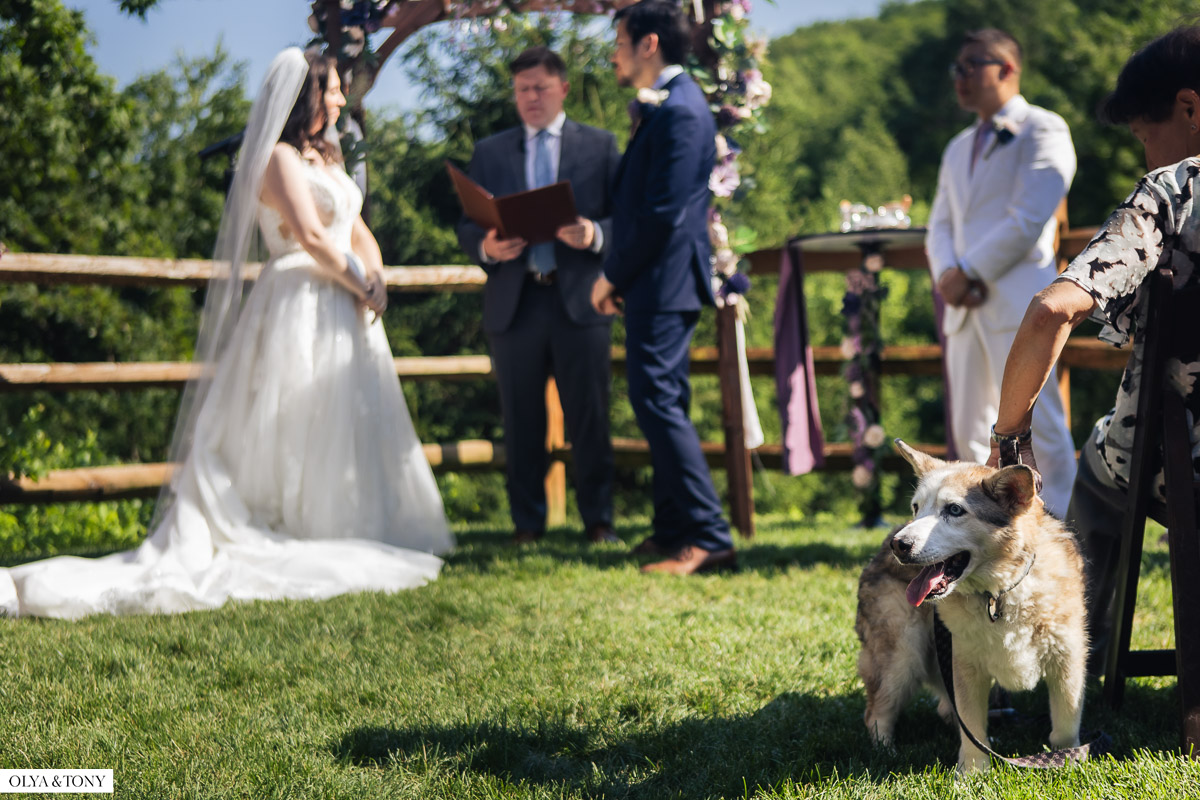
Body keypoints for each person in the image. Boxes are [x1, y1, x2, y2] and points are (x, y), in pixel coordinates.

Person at [0, 48, 453, 618]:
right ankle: (294, 524)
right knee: (292, 419)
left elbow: (356, 228)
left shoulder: (329, 158)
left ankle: (350, 521)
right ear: (307, 96)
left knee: (342, 414)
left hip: (345, 300)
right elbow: (312, 237)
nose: (340, 99)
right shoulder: (278, 159)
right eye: (332, 90)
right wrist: (361, 283)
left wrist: (375, 276)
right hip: (300, 297)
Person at [986, 25, 1200, 667]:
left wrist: (1008, 437)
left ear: (1190, 108)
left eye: (1144, 135)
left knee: (1104, 466)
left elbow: (1054, 307)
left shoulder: (1174, 192)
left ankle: (1080, 649)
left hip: (1185, 459)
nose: (1146, 158)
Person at [456, 47, 621, 546]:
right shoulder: (490, 151)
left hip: (582, 300)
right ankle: (527, 525)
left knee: (589, 416)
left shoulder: (600, 146)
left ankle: (599, 521)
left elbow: (624, 219)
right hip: (517, 301)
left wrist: (593, 233)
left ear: (562, 89)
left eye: (540, 88)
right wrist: (486, 244)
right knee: (521, 418)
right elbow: (468, 222)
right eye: (522, 89)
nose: (530, 97)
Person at [592, 0, 735, 575]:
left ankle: (709, 535)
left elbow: (662, 214)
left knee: (658, 406)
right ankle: (674, 527)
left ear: (649, 44)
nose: (615, 54)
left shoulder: (679, 110)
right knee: (661, 403)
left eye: (621, 42)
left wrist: (611, 275)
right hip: (659, 279)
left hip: (664, 279)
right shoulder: (670, 106)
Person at [926, 28, 1078, 518]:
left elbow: (1029, 215)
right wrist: (948, 274)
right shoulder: (956, 147)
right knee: (970, 427)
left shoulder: (1043, 128)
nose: (960, 78)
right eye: (957, 69)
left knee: (1041, 425)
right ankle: (976, 532)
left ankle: (1068, 531)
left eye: (971, 65)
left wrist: (969, 270)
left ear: (1007, 68)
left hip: (1017, 301)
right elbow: (940, 224)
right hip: (963, 307)